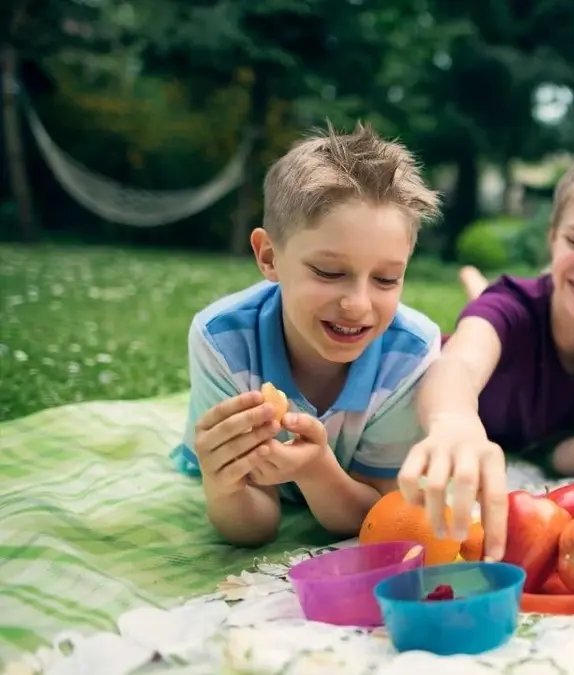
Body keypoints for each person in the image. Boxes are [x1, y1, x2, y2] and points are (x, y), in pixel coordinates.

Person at [398, 146, 574, 560]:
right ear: (552, 238)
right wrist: (453, 422)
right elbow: (456, 365)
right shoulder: (509, 305)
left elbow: (556, 454)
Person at [169, 123, 442, 546]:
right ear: (268, 256)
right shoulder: (221, 339)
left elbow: (377, 515)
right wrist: (223, 485)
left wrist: (316, 469)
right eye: (329, 272)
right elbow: (253, 528)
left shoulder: (411, 353)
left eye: (387, 279)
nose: (358, 304)